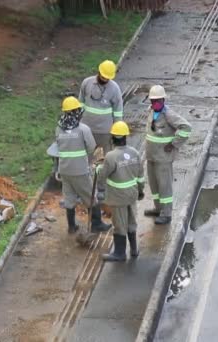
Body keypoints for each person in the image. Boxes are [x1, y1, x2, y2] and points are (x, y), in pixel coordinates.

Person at [56, 96, 112, 234]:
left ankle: (71, 226)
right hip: (79, 170)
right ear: (77, 111)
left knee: (69, 197)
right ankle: (97, 224)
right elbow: (91, 147)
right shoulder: (83, 129)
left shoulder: (58, 128)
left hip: (64, 170)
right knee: (91, 197)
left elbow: (58, 145)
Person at [96, 121, 145, 261]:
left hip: (118, 197)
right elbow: (140, 177)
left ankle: (119, 253)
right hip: (132, 195)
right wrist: (140, 191)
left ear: (113, 138)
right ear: (125, 137)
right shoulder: (135, 153)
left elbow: (103, 175)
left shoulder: (111, 156)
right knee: (131, 221)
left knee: (119, 225)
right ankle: (134, 250)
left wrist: (99, 176)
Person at [143, 85, 192, 225]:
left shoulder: (169, 115)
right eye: (153, 101)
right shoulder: (151, 111)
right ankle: (158, 209)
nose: (155, 103)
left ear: (163, 100)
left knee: (164, 186)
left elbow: (186, 128)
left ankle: (167, 214)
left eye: (158, 100)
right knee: (154, 185)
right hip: (151, 156)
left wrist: (174, 144)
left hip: (163, 158)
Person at [78, 60, 124, 157]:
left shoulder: (114, 88)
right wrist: (78, 123)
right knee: (87, 156)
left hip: (105, 132)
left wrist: (117, 132)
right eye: (103, 77)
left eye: (107, 78)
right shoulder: (87, 83)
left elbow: (118, 112)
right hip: (87, 128)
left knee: (106, 159)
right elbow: (80, 103)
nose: (104, 80)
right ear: (99, 72)